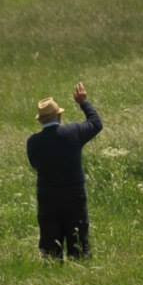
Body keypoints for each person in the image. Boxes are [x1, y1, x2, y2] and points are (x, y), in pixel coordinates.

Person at [26, 82, 102, 260]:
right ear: (59, 115)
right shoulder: (73, 132)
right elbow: (96, 124)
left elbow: (35, 165)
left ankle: (52, 274)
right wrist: (84, 103)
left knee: (50, 248)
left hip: (47, 198)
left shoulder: (33, 142)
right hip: (74, 196)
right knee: (79, 244)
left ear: (41, 119)